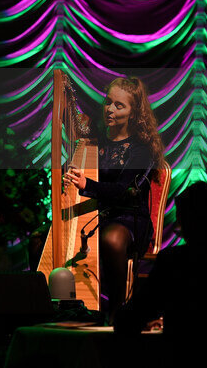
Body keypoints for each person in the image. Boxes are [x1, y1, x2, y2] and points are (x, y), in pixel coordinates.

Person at [115, 181, 207, 365]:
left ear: (190, 222)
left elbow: (132, 318)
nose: (179, 226)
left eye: (181, 220)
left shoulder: (173, 262)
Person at [64, 76, 165, 322]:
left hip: (131, 218)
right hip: (99, 215)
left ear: (133, 113)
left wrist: (86, 184)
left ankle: (117, 312)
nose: (110, 109)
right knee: (39, 240)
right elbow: (85, 179)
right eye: (108, 102)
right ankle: (67, 308)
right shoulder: (94, 141)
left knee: (111, 239)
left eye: (119, 105)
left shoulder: (141, 149)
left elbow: (124, 190)